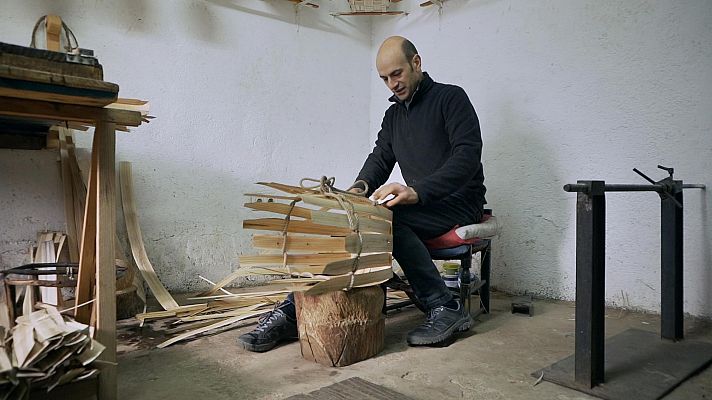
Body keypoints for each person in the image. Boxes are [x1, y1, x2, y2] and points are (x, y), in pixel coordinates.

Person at [238, 36, 486, 352]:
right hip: (422, 202)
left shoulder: (451, 99)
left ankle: (445, 307)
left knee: (389, 221)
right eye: (384, 79)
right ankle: (293, 312)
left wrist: (415, 191)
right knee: (348, 222)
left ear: (416, 63)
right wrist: (357, 191)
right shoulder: (394, 115)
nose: (392, 84)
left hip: (459, 201)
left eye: (397, 74)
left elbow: (467, 157)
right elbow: (380, 157)